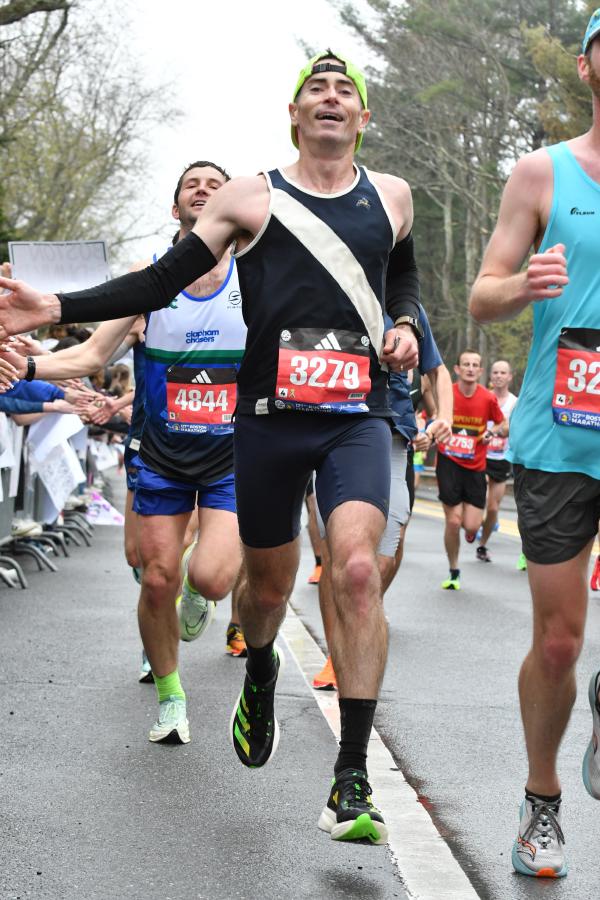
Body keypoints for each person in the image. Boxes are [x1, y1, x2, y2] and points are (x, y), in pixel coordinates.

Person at [0, 50, 422, 844]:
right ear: (294, 115)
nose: (331, 98)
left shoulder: (394, 197)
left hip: (353, 416)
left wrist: (401, 327)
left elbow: (401, 281)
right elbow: (156, 282)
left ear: (364, 118)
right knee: (262, 594)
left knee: (357, 567)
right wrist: (52, 305)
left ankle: (350, 778)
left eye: (346, 92)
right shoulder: (250, 197)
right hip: (264, 424)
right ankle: (260, 669)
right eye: (315, 90)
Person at [0, 161, 248, 741]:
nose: (205, 192)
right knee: (154, 576)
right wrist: (27, 366)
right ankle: (170, 696)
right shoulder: (149, 279)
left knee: (211, 579)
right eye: (193, 185)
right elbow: (91, 356)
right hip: (161, 453)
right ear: (176, 207)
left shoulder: (253, 276)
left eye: (217, 186)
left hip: (231, 456)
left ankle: (199, 594)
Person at [469, 10, 600, 878]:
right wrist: (524, 283)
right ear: (589, 68)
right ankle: (541, 802)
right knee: (559, 642)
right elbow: (482, 296)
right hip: (561, 435)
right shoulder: (540, 172)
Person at [311, 304, 452, 692]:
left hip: (395, 436)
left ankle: (362, 611)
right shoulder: (334, 285)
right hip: (339, 431)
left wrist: (445, 418)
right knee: (341, 555)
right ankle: (336, 653)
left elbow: (437, 373)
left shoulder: (409, 310)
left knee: (384, 557)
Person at [436, 349, 506, 590]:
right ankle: (454, 570)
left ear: (480, 371)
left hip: (476, 466)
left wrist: (492, 432)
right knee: (453, 522)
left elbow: (503, 425)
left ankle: (471, 532)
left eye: (474, 364)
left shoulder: (487, 398)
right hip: (449, 462)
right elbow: (432, 415)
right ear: (457, 369)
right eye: (465, 364)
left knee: (472, 526)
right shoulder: (448, 395)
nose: (469, 368)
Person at [476, 359, 518, 563]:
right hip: (480, 457)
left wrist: (501, 430)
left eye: (503, 372)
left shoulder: (515, 402)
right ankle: (473, 525)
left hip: (501, 459)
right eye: (496, 372)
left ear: (510, 377)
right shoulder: (483, 397)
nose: (499, 376)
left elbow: (515, 428)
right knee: (480, 498)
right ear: (490, 376)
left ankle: (482, 544)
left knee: (493, 508)